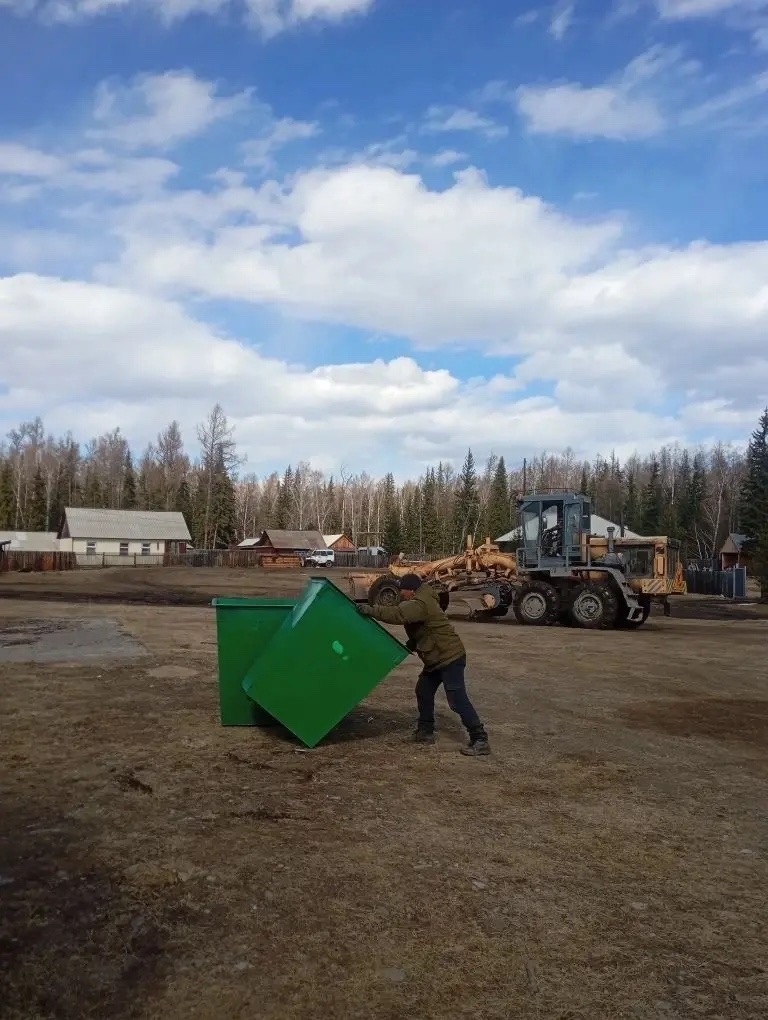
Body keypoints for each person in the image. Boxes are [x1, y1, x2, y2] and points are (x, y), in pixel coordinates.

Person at [358, 573, 490, 756]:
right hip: (436, 657)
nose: (401, 594)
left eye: (402, 591)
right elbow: (423, 628)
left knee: (457, 700)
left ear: (411, 590)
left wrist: (371, 610)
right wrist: (413, 643)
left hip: (449, 657)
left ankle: (480, 739)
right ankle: (425, 731)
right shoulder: (421, 600)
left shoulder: (420, 603)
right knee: (424, 690)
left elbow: (398, 614)